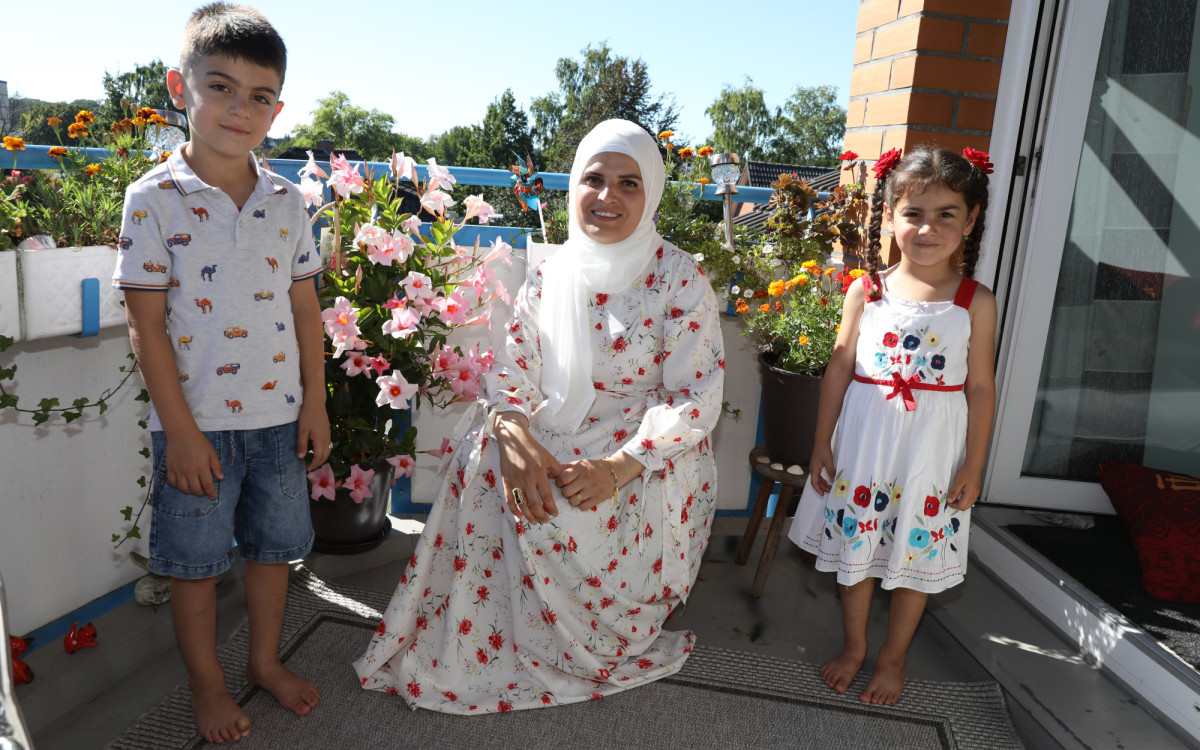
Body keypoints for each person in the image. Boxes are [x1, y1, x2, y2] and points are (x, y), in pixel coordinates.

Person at [354, 119, 725, 713]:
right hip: (558, 418)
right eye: (594, 179)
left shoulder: (680, 278)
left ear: (651, 193)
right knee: (486, 455)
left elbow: (695, 396)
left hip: (640, 440)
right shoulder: (553, 272)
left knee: (571, 505)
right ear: (573, 185)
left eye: (628, 183)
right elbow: (515, 364)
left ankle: (594, 641)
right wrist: (513, 433)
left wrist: (620, 466)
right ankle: (488, 635)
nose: (607, 196)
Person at [113, 3, 329, 742]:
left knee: (274, 554)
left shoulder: (289, 202)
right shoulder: (151, 199)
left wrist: (316, 406)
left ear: (278, 110)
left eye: (260, 96)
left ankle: (264, 663)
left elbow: (306, 311)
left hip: (279, 424)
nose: (241, 109)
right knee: (195, 566)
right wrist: (180, 432)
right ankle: (207, 685)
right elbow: (145, 324)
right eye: (221, 87)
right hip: (196, 428)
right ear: (181, 88)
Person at [786, 146, 997, 705]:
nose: (928, 228)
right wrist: (821, 443)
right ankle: (855, 646)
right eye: (914, 214)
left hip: (931, 451)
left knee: (914, 550)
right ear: (889, 216)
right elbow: (839, 366)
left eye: (946, 214)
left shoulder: (975, 302)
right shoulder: (867, 291)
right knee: (857, 545)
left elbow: (980, 387)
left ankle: (893, 657)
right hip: (866, 444)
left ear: (970, 220)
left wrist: (973, 464)